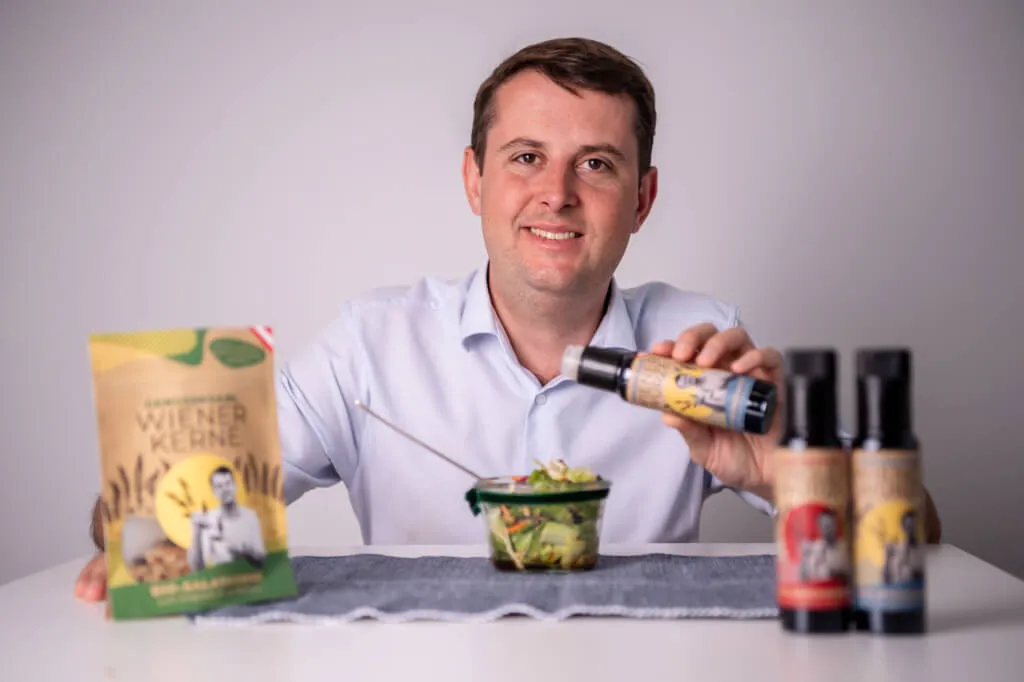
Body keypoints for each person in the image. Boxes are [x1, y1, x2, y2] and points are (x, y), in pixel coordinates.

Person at [75, 36, 942, 603]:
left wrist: (780, 465)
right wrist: (141, 529)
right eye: (526, 156)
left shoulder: (699, 349)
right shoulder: (370, 346)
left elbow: (916, 540)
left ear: (642, 199)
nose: (555, 194)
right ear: (474, 180)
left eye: (595, 164)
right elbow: (146, 518)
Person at [187, 467, 266, 571]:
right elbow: (197, 567)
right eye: (219, 486)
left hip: (247, 575)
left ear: (235, 486)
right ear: (214, 491)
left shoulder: (250, 516)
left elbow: (261, 560)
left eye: (228, 483)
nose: (225, 489)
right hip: (221, 577)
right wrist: (197, 530)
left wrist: (244, 551)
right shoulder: (208, 520)